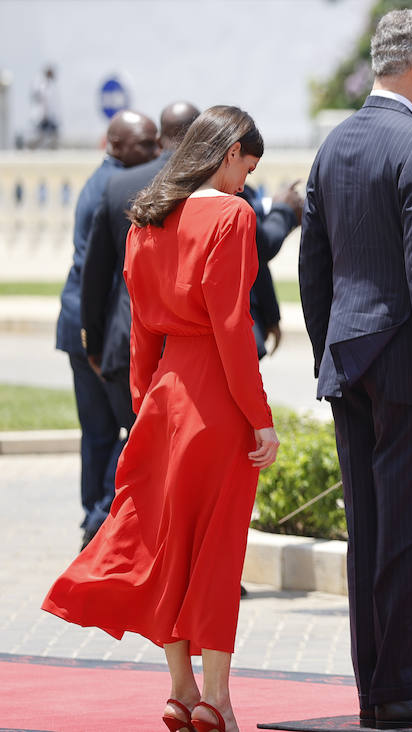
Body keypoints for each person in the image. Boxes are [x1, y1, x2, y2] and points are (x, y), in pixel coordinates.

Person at [43, 105, 281, 732]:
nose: (244, 182)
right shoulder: (231, 215)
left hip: (165, 399)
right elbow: (233, 327)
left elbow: (142, 328)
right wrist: (260, 419)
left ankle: (181, 689)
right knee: (217, 550)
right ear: (229, 152)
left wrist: (150, 405)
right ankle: (218, 699)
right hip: (216, 400)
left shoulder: (146, 218)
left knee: (168, 546)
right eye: (245, 168)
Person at [299, 8, 412, 729]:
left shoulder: (333, 145)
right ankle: (402, 687)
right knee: (409, 531)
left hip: (351, 360)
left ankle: (375, 688)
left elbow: (314, 264)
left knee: (368, 533)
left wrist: (332, 350)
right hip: (409, 365)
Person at [56, 110, 159, 546]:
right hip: (93, 327)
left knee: (100, 433)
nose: (156, 151)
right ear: (115, 145)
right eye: (145, 144)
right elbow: (102, 269)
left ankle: (93, 518)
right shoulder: (115, 187)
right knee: (124, 431)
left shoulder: (108, 180)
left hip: (83, 320)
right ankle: (100, 519)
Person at [81, 103, 199, 474]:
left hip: (125, 344)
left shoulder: (119, 185)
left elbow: (95, 275)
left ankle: (115, 526)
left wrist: (95, 344)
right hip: (191, 351)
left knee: (141, 458)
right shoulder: (211, 184)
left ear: (161, 136)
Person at [240, 179, 304, 358]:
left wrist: (271, 316)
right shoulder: (225, 193)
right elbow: (261, 246)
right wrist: (283, 210)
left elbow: (255, 260)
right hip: (223, 337)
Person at [27, 64, 59, 148]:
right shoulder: (42, 84)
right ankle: (32, 147)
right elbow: (43, 99)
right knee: (41, 134)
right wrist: (45, 113)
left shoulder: (47, 84)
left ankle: (47, 147)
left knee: (48, 133)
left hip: (46, 114)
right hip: (42, 114)